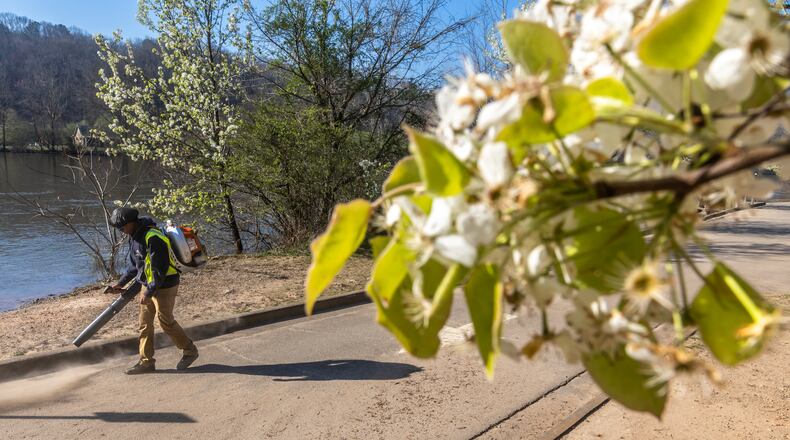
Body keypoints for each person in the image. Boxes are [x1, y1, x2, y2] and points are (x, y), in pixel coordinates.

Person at [109, 207, 199, 374]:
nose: (120, 231)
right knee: (144, 324)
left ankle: (190, 350)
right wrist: (120, 284)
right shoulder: (134, 237)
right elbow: (135, 267)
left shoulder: (153, 237)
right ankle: (146, 362)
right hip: (149, 285)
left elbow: (160, 269)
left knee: (165, 321)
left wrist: (149, 292)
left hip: (165, 284)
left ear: (131, 223)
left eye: (121, 228)